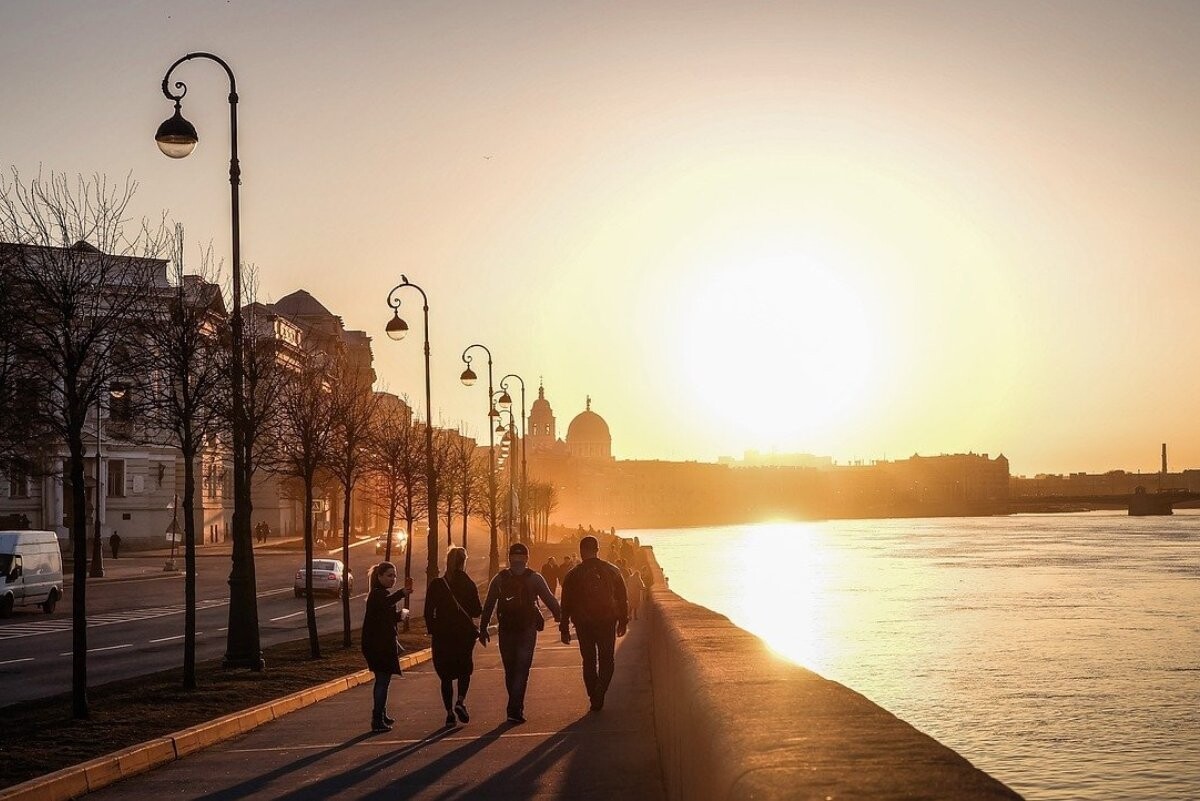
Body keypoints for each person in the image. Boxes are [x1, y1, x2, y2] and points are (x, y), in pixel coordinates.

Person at [479, 542, 561, 723]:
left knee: (510, 669)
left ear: (509, 558)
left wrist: (483, 628)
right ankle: (515, 708)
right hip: (527, 629)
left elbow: (489, 605)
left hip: (506, 629)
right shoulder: (534, 578)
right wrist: (560, 618)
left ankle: (514, 706)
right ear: (527, 558)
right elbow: (550, 599)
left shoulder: (499, 578)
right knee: (522, 669)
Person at [560, 535, 628, 712]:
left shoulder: (572, 575)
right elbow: (622, 598)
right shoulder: (612, 571)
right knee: (607, 660)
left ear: (581, 552)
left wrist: (564, 629)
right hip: (607, 621)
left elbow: (565, 604)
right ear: (598, 550)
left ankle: (593, 696)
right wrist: (623, 621)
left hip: (584, 624)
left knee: (588, 661)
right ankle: (600, 692)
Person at [424, 546, 482, 728]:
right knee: (464, 669)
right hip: (464, 635)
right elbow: (476, 610)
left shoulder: (437, 584)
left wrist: (434, 629)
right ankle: (461, 701)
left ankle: (449, 713)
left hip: (443, 636)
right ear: (464, 562)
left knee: (446, 675)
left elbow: (428, 611)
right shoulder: (468, 583)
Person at [361, 561, 414, 732]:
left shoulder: (382, 595)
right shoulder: (377, 595)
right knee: (382, 681)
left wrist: (402, 615)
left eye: (395, 575)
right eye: (389, 575)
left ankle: (381, 714)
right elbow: (387, 603)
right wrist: (402, 593)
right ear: (379, 577)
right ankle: (377, 720)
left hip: (382, 644)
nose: (393, 579)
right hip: (377, 646)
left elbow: (389, 617)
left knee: (384, 681)